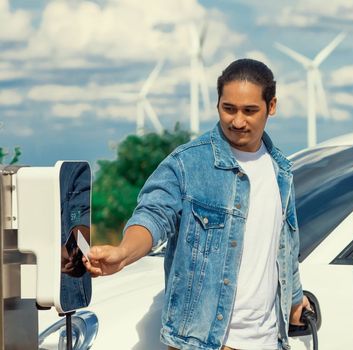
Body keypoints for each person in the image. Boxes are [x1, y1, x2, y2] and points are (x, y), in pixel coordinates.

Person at [84, 59, 309, 350]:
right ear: (217, 104)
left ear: (272, 106)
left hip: (269, 341)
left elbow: (286, 247)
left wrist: (294, 302)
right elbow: (153, 215)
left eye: (249, 111)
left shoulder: (281, 171)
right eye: (229, 109)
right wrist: (124, 253)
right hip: (203, 343)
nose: (237, 121)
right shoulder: (188, 162)